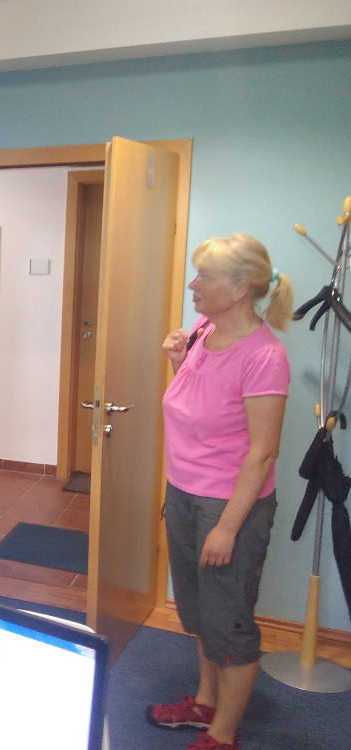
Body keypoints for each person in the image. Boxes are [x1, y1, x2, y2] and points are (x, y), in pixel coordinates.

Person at [148, 233, 293, 750]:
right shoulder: (204, 331)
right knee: (198, 613)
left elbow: (263, 453)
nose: (193, 284)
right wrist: (178, 360)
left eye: (204, 277)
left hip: (229, 507)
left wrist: (228, 527)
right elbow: (196, 408)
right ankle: (205, 703)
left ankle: (223, 735)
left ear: (240, 289)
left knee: (229, 624)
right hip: (184, 494)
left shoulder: (265, 356)